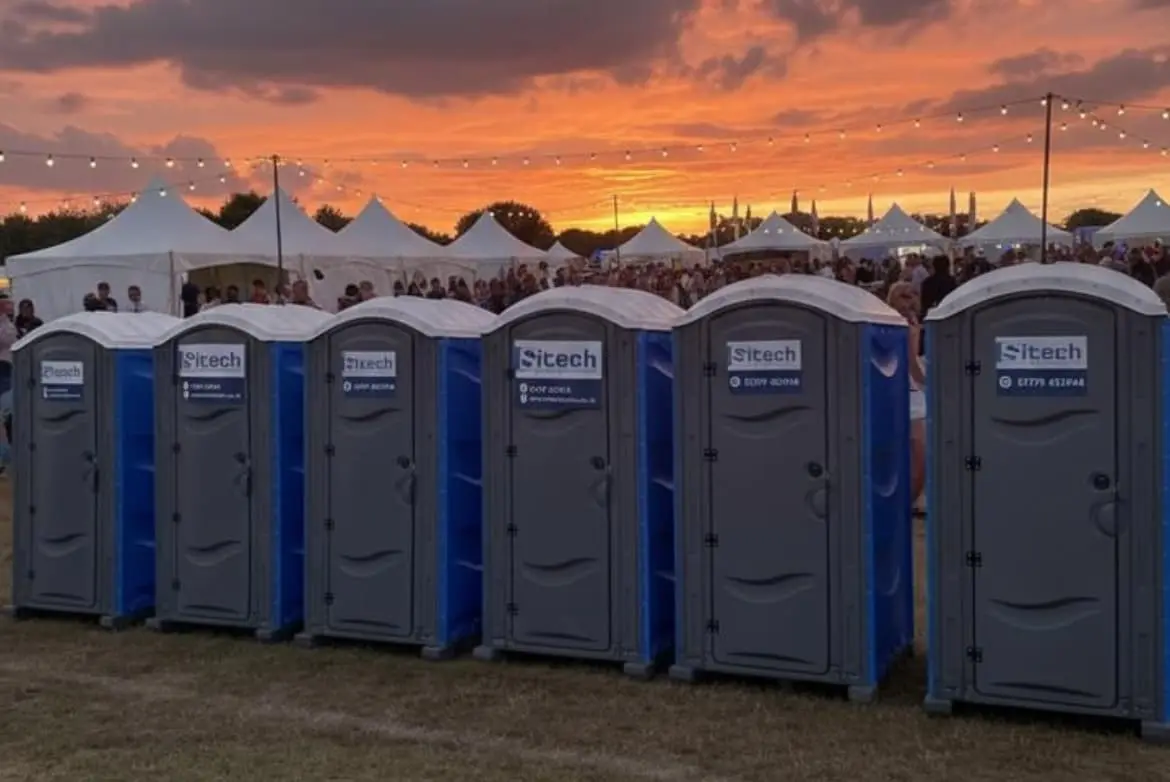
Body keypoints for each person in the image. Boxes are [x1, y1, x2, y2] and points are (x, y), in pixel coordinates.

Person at [887, 282, 927, 511]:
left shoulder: (913, 325)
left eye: (914, 295)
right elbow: (911, 365)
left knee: (915, 455)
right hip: (906, 392)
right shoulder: (899, 326)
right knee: (917, 454)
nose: (910, 300)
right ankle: (903, 503)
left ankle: (905, 501)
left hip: (911, 393)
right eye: (903, 296)